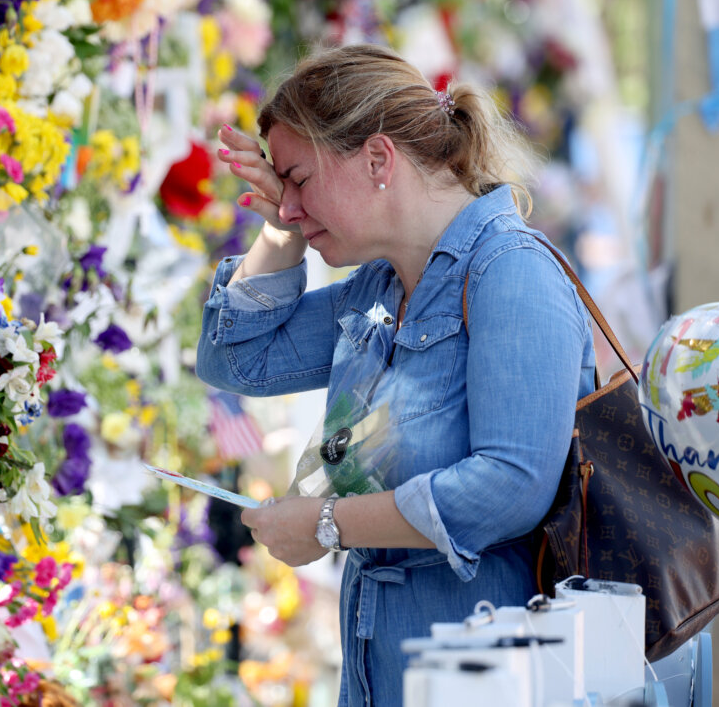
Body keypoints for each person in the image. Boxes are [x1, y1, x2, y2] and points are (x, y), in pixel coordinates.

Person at [195, 43, 597, 706]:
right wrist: (280, 234)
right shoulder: (377, 288)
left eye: (298, 179)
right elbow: (236, 360)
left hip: (491, 681)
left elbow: (513, 485)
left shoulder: (511, 272)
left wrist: (328, 523)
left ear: (378, 159)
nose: (289, 204)